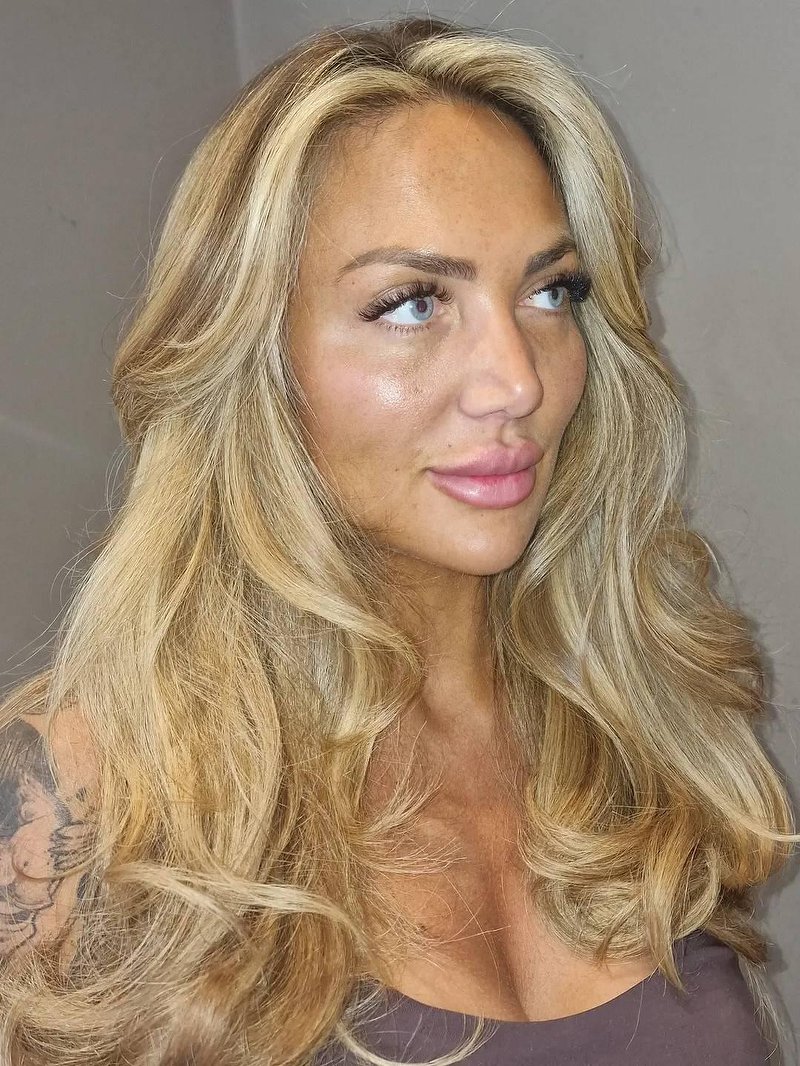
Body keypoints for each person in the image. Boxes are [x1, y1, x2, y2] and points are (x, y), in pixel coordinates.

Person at [0, 13, 796, 1066]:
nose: (516, 380)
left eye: (549, 291)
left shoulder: (637, 712)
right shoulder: (83, 795)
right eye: (413, 302)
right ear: (250, 350)